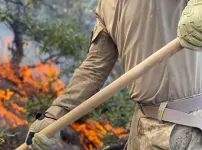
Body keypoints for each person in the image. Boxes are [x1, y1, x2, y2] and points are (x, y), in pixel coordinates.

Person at [26, 0, 202, 149]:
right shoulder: (107, 5)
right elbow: (93, 69)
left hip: (186, 129)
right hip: (142, 128)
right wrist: (55, 114)